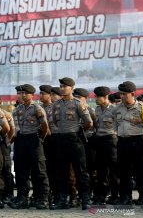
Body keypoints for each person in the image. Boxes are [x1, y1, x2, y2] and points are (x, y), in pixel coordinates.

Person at [51, 77, 93, 210]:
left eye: (64, 86)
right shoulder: (56, 105)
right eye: (60, 86)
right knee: (62, 171)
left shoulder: (78, 103)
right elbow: (56, 122)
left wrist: (78, 131)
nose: (62, 88)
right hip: (61, 139)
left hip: (75, 139)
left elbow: (89, 122)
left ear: (71, 88)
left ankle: (85, 198)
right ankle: (64, 199)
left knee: (81, 171)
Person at [114, 81, 143, 210]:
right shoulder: (117, 109)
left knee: (142, 171)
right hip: (122, 142)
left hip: (137, 141)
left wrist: (142, 140)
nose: (122, 96)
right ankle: (125, 198)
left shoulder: (142, 108)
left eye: (125, 94)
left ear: (133, 94)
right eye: (121, 94)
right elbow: (116, 126)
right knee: (123, 171)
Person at [10, 84, 50, 210]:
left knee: (39, 171)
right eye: (20, 93)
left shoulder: (37, 108)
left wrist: (40, 138)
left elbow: (45, 127)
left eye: (25, 93)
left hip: (34, 139)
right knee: (21, 171)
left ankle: (42, 198)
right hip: (21, 140)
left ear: (32, 95)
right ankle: (23, 198)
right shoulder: (18, 109)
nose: (22, 95)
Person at [92, 86, 119, 205]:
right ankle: (101, 196)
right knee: (101, 170)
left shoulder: (114, 109)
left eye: (98, 97)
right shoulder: (97, 110)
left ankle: (115, 196)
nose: (96, 98)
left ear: (106, 97)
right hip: (99, 140)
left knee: (114, 169)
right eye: (96, 96)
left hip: (111, 140)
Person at [0, 92, 15, 204]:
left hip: (3, 143)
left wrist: (7, 141)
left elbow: (11, 129)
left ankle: (8, 194)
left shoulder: (5, 113)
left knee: (6, 168)